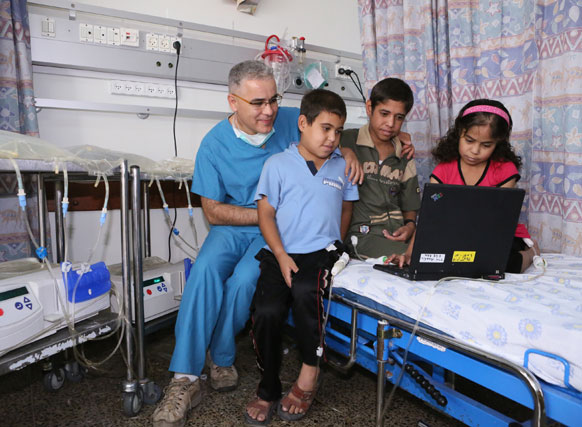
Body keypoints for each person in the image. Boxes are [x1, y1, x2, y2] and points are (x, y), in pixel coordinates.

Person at [152, 61, 362, 427]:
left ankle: (221, 356)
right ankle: (184, 378)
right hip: (238, 225)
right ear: (233, 101)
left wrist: (350, 151)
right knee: (202, 272)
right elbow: (214, 212)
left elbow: (331, 128)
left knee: (246, 280)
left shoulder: (289, 119)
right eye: (258, 103)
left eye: (274, 100)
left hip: (279, 235)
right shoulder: (214, 144)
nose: (269, 111)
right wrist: (270, 212)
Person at [245, 89, 358, 425]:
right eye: (325, 128)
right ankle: (267, 387)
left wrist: (335, 242)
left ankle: (310, 372)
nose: (332, 138)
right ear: (303, 124)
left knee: (308, 294)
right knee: (266, 311)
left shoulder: (342, 166)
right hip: (279, 252)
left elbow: (347, 207)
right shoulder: (277, 164)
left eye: (338, 131)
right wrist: (280, 255)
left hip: (321, 253)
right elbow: (265, 214)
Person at [389, 99, 538, 272]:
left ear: (498, 143)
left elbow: (499, 221)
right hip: (455, 236)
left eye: (486, 145)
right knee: (440, 261)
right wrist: (409, 254)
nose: (475, 151)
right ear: (459, 133)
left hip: (493, 235)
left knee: (501, 264)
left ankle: (532, 251)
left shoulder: (505, 170)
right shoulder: (443, 171)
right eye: (469, 140)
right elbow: (431, 216)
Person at [341, 77, 421, 259]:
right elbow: (315, 143)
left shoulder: (404, 154)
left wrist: (409, 225)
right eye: (384, 114)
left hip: (397, 236)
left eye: (398, 117)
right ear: (369, 108)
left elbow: (410, 202)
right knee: (419, 257)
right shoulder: (346, 140)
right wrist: (345, 151)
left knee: (438, 251)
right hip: (362, 235)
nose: (390, 123)